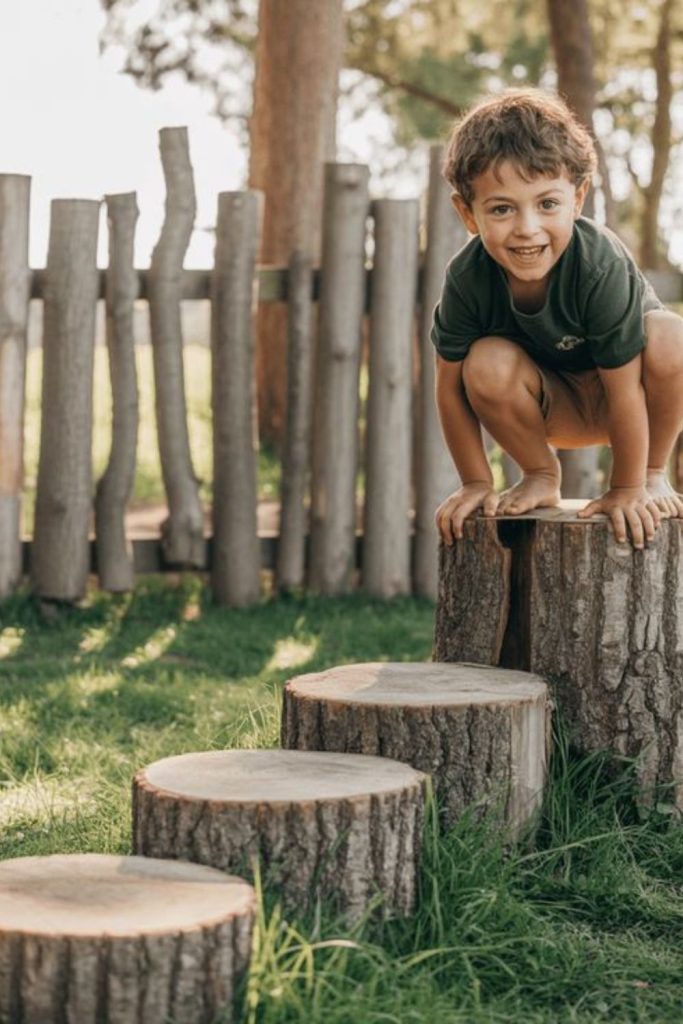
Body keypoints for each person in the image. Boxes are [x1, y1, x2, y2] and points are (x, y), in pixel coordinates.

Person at [431, 88, 683, 550]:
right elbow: (449, 389)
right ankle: (540, 473)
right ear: (467, 213)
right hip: (551, 409)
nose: (527, 228)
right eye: (502, 209)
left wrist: (627, 487)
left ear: (578, 198)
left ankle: (652, 472)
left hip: (631, 401)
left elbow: (625, 389)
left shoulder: (598, 263)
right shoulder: (468, 278)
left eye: (547, 203)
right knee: (484, 362)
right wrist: (475, 481)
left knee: (671, 336)